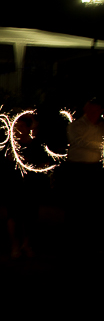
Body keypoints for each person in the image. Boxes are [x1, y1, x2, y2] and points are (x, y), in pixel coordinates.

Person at [64, 97, 104, 254]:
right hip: (77, 171)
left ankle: (90, 242)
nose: (92, 111)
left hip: (95, 170)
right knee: (75, 207)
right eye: (89, 108)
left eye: (96, 109)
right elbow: (79, 142)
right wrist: (100, 146)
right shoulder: (76, 125)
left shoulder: (102, 126)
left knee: (93, 207)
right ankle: (73, 243)